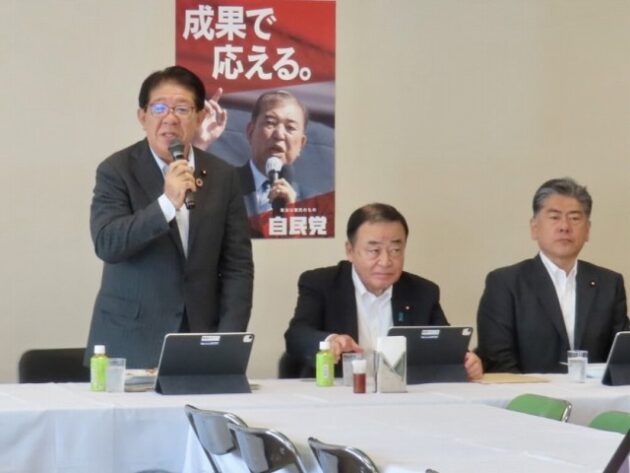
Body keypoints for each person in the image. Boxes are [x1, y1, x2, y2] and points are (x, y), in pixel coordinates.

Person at [85, 66, 254, 369]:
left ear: (200, 117)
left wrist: (228, 338)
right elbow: (108, 243)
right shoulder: (116, 170)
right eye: (159, 108)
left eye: (182, 109)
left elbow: (237, 266)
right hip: (130, 339)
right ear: (142, 117)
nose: (170, 118)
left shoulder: (223, 176)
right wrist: (166, 204)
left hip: (200, 337)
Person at [284, 203, 483, 380]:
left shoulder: (422, 292)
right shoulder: (322, 283)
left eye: (395, 250)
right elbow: (297, 336)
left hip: (405, 398)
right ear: (350, 251)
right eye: (374, 251)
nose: (386, 261)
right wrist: (330, 341)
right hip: (339, 395)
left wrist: (467, 361)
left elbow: (446, 345)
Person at [477, 177, 629, 373]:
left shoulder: (609, 284)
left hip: (594, 392)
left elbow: (621, 356)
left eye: (574, 218)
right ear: (534, 228)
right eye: (554, 217)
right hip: (524, 391)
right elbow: (497, 358)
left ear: (588, 230)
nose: (564, 226)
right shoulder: (505, 283)